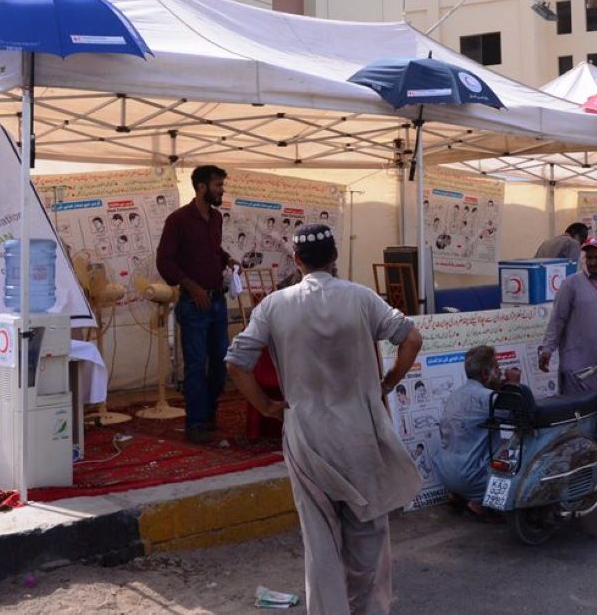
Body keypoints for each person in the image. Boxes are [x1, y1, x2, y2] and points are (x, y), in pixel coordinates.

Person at [225, 223, 423, 615]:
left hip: (308, 438)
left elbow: (236, 362)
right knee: (369, 531)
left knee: (320, 541)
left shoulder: (274, 305)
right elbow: (411, 338)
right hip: (361, 433)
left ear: (296, 260)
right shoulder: (362, 298)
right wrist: (387, 383)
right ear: (334, 257)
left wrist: (266, 406)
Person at [156, 165, 238, 443]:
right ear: (201, 187)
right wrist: (192, 287)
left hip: (217, 302)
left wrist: (227, 258)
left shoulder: (216, 218)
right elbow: (164, 261)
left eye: (222, 185)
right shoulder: (177, 220)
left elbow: (212, 248)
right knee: (195, 365)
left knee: (220, 362)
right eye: (218, 185)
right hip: (194, 304)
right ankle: (196, 423)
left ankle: (208, 412)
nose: (222, 190)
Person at [538, 236, 597, 395]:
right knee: (580, 416)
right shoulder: (571, 284)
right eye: (589, 257)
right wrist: (547, 349)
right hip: (577, 371)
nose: (593, 262)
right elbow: (557, 320)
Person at [434, 345, 513, 518]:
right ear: (485, 374)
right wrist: (514, 384)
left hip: (445, 475)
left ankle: (459, 495)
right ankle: (479, 505)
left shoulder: (456, 394)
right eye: (497, 369)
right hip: (469, 477)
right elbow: (520, 414)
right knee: (519, 475)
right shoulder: (487, 397)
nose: (500, 372)